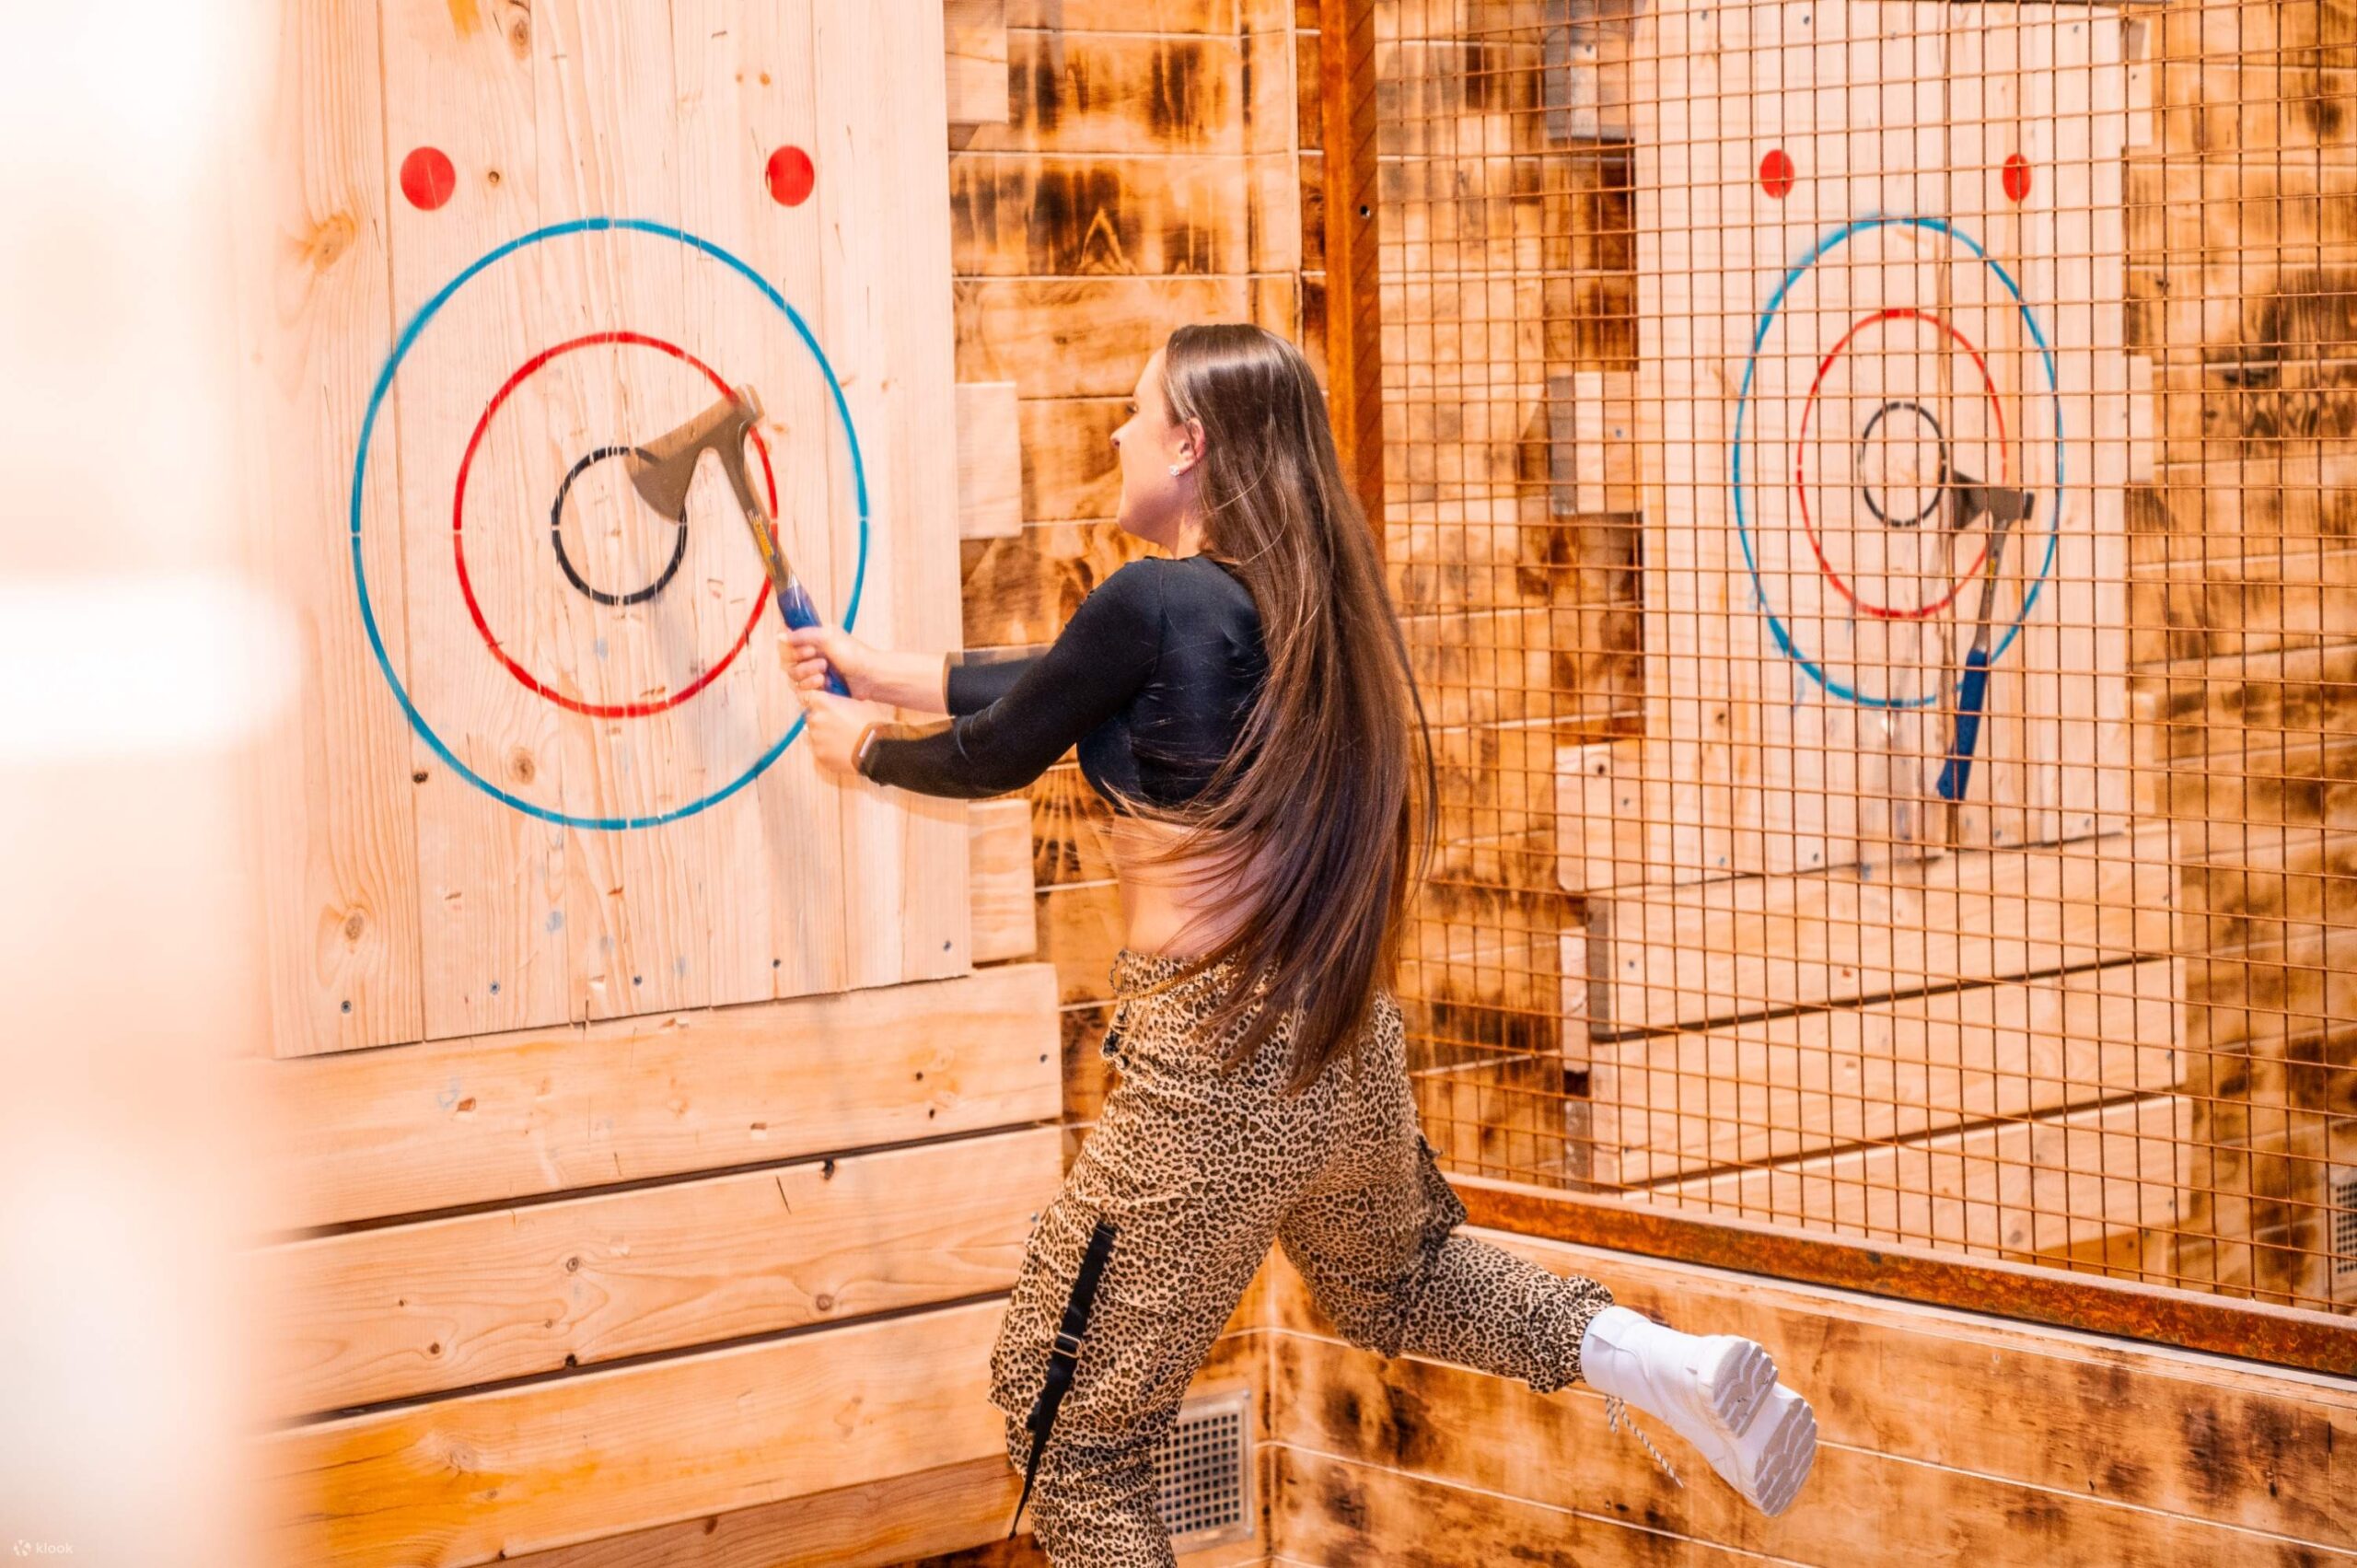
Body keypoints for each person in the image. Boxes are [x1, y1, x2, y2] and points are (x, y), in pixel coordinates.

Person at [784, 323, 1817, 1565]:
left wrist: (859, 752)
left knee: (1072, 1441)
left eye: (1133, 410)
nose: (1115, 433)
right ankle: (1662, 1358)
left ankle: (1660, 1362)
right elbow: (1051, 677)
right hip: (1339, 1049)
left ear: (1190, 442)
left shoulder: (1154, 600)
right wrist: (872, 670)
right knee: (1405, 1278)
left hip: (1214, 1075)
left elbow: (1006, 745)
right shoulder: (1306, 609)